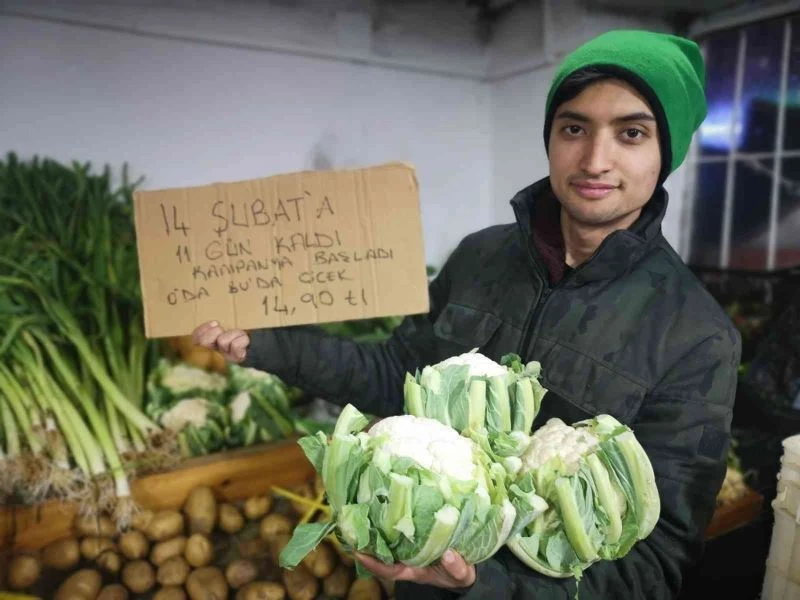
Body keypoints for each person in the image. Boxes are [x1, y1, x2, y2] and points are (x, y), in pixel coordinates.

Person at [193, 29, 741, 599]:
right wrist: (265, 344)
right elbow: (393, 373)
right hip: (419, 581)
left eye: (631, 133)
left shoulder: (698, 337)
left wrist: (486, 585)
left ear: (665, 152)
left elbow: (655, 564)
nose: (595, 159)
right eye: (574, 128)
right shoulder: (481, 255)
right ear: (551, 138)